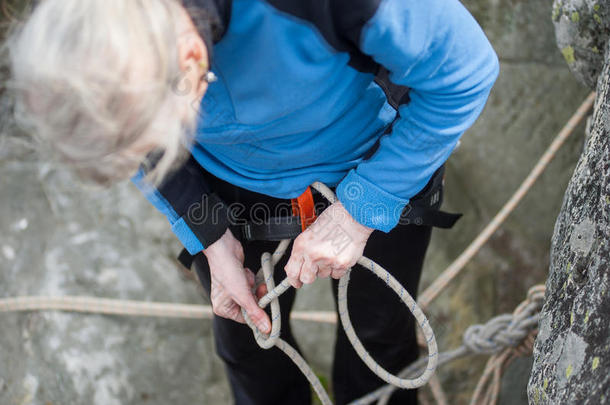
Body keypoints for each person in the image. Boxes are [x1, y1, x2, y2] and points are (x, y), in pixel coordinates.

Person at [6, 0, 499, 403]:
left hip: (375, 161)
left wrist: (360, 210)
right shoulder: (110, 34)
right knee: (246, 346)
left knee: (379, 336)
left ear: (192, 64)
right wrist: (209, 237)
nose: (152, 156)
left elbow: (465, 71)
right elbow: (134, 141)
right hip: (228, 183)